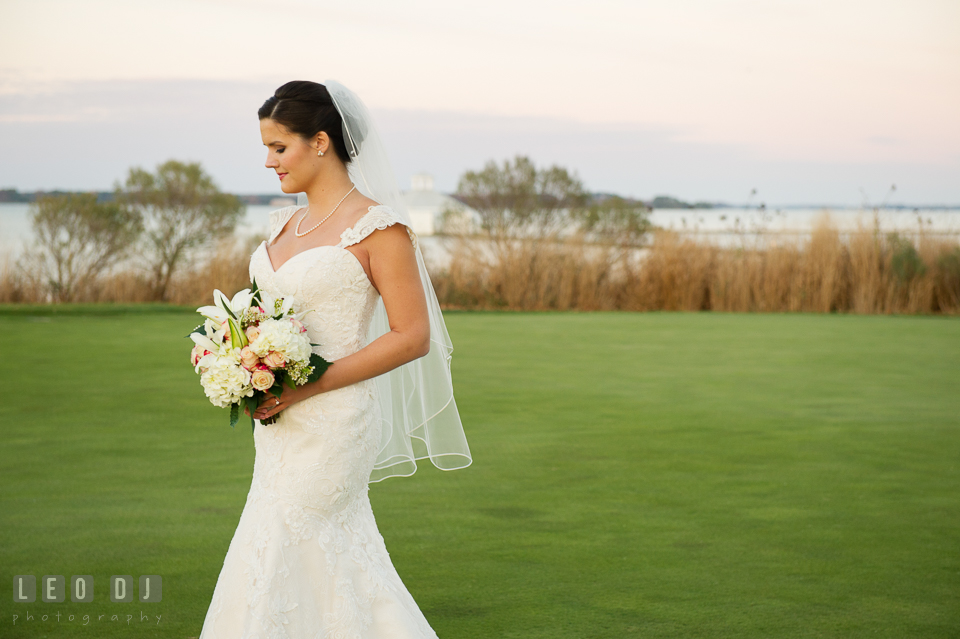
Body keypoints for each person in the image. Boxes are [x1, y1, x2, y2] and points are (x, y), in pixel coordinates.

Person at [198, 80, 472, 638]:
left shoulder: (379, 227)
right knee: (283, 543)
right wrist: (242, 362)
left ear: (320, 141)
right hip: (279, 421)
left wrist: (307, 387)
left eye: (279, 148)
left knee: (296, 538)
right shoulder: (282, 225)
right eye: (267, 148)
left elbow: (412, 335)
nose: (269, 162)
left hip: (335, 419)